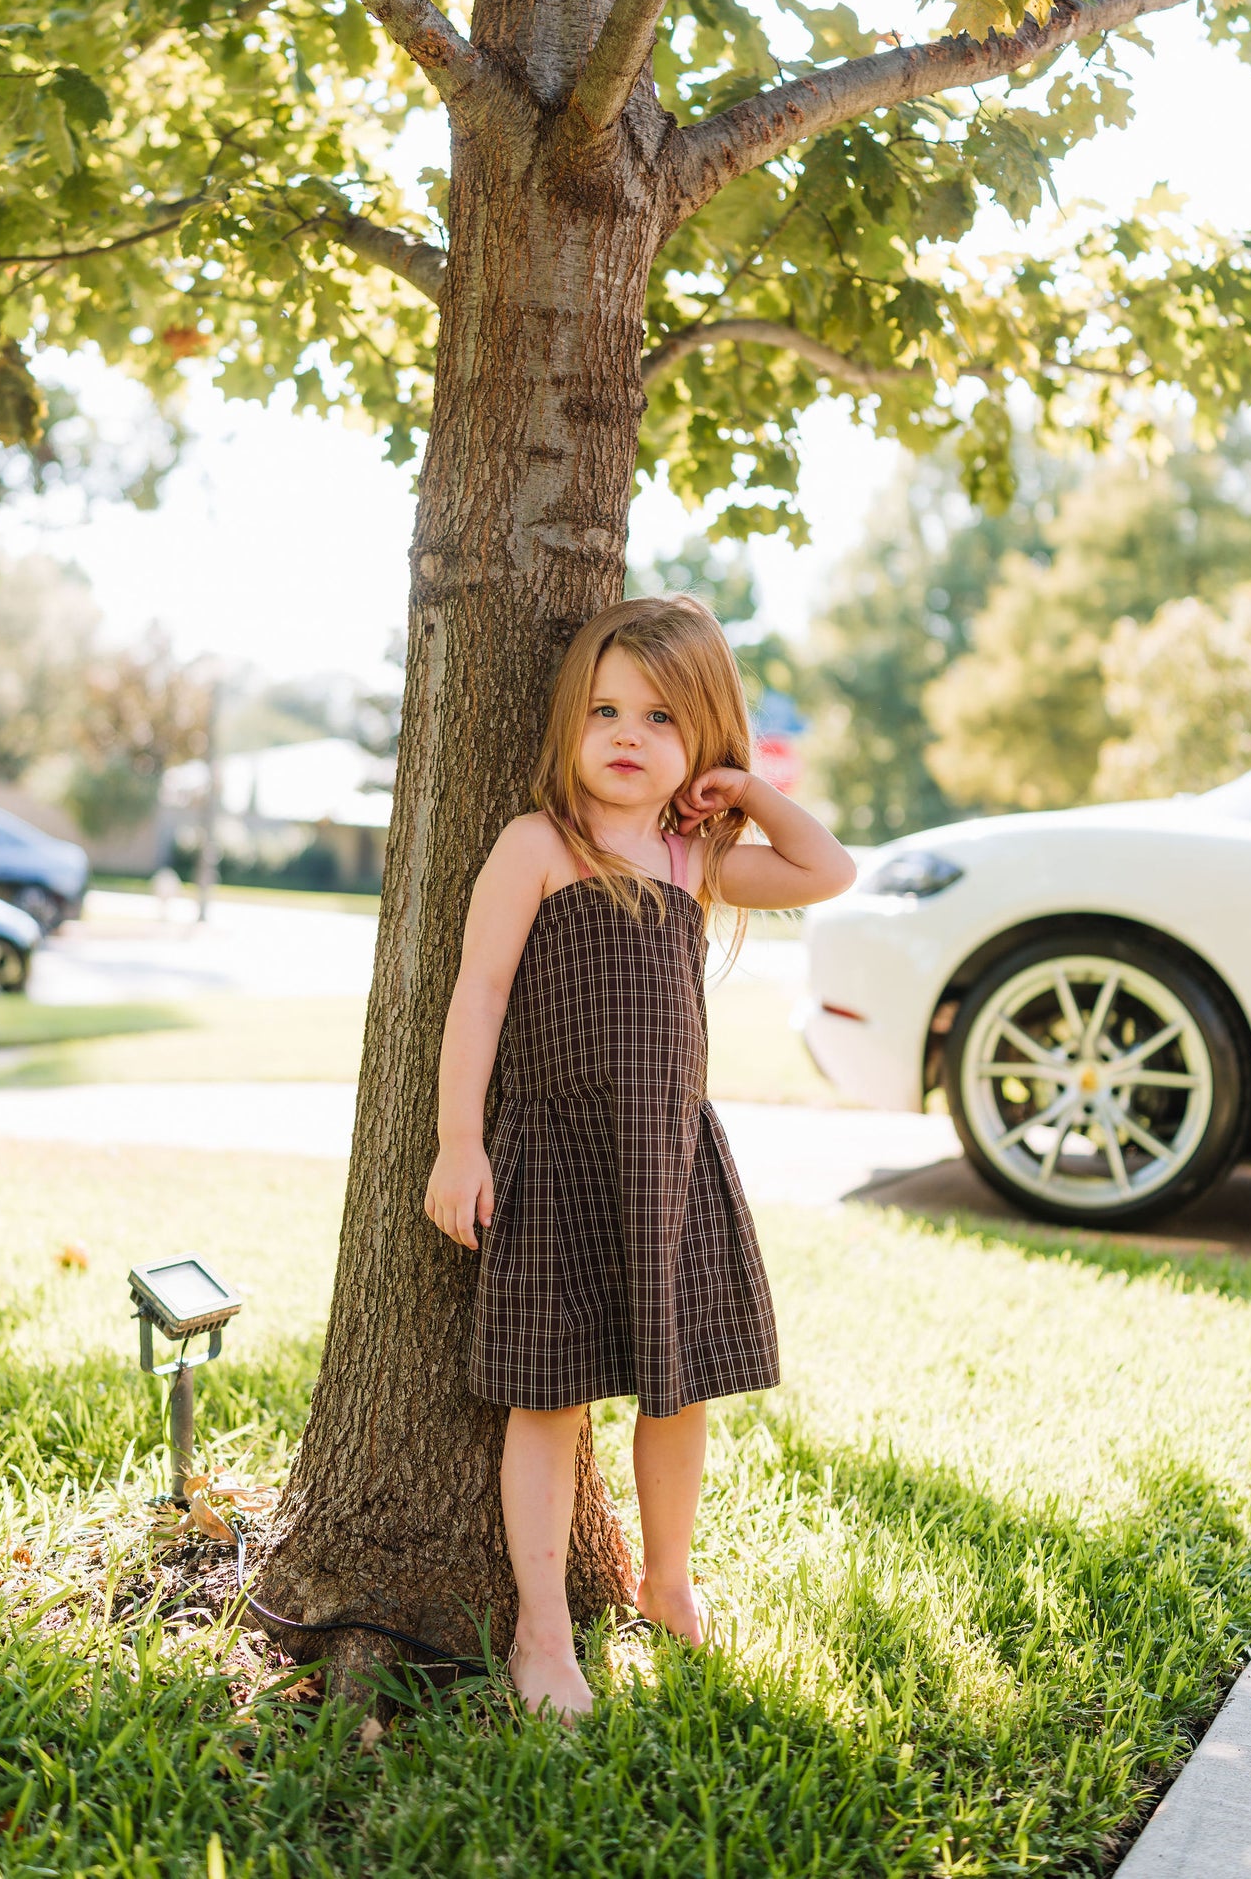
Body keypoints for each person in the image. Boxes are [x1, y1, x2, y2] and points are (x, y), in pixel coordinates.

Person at [425, 595, 857, 1719]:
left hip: (667, 1155)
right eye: (605, 709)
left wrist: (748, 789)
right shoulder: (538, 846)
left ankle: (666, 1584)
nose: (627, 733)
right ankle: (541, 1631)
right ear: (568, 721)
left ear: (699, 743)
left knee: (676, 1390)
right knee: (549, 1398)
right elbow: (476, 993)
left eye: (661, 718)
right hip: (557, 1159)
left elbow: (823, 871)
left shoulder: (692, 855)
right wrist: (458, 1141)